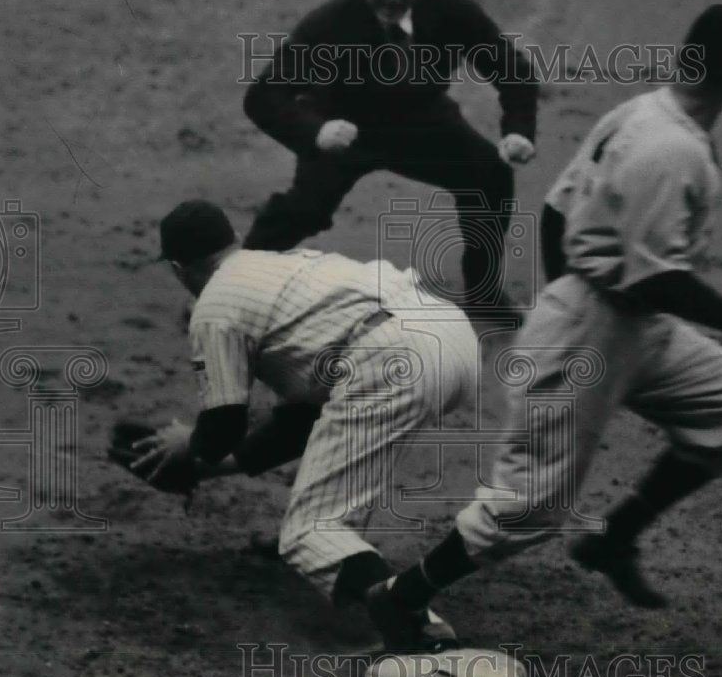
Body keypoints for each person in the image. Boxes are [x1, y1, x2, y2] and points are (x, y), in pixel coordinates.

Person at [364, 5, 722, 649]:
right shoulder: (673, 146)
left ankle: (615, 538)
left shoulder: (643, 111)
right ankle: (402, 598)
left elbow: (555, 209)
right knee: (529, 508)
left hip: (626, 322)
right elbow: (654, 278)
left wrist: (562, 299)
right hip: (596, 323)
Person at [131, 199, 477, 649]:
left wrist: (190, 447)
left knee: (309, 531)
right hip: (452, 336)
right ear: (233, 240)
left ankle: (421, 629)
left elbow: (222, 426)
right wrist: (208, 468)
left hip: (390, 356)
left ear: (178, 269)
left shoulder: (214, 308)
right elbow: (301, 422)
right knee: (336, 472)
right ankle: (352, 563)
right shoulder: (286, 265)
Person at [242, 0, 539, 322]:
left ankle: (483, 293)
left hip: (424, 123)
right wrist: (314, 132)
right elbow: (263, 96)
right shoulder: (329, 24)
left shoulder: (451, 10)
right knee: (305, 210)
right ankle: (232, 287)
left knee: (490, 175)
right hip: (345, 130)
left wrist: (517, 130)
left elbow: (513, 71)